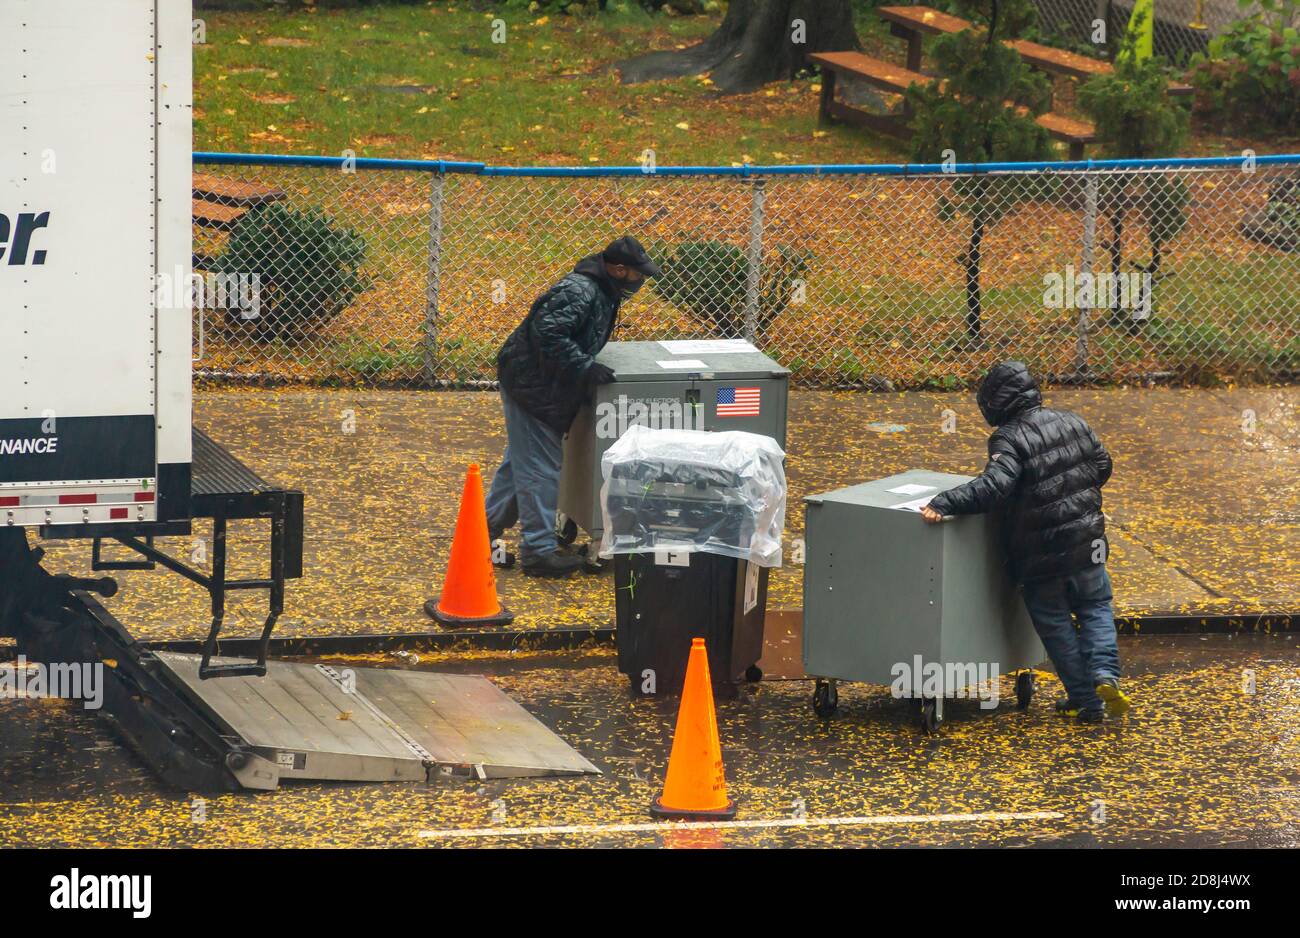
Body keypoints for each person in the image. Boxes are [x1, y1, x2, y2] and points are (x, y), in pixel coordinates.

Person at [919, 361, 1130, 723]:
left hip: (1042, 555)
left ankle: (1085, 700)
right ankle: (1104, 675)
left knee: (1055, 623)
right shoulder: (1074, 421)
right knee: (1095, 607)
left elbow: (995, 487)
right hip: (1088, 543)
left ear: (997, 403)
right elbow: (1102, 466)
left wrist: (944, 501)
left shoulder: (1008, 438)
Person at [486, 236, 661, 579]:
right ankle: (537, 553)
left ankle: (481, 532)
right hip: (532, 386)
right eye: (637, 275)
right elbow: (546, 333)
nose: (640, 282)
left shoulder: (603, 290)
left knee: (520, 464)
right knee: (540, 468)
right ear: (619, 269)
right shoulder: (581, 290)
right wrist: (584, 366)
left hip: (540, 383)